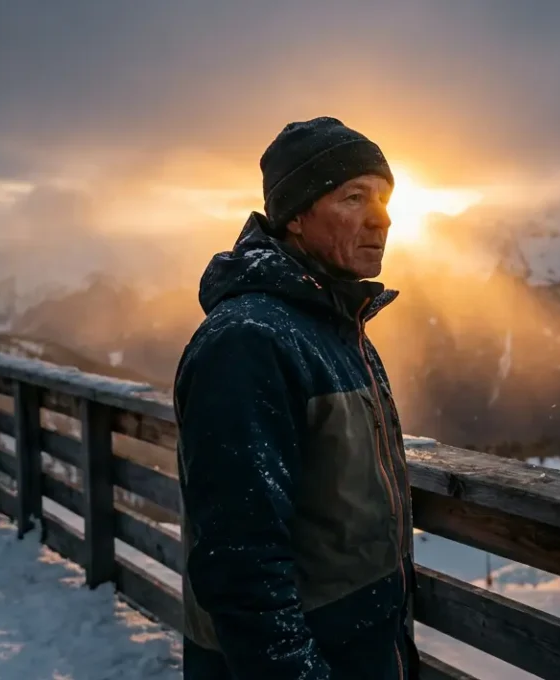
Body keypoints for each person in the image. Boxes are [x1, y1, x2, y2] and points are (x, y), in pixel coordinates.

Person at [173, 117, 417, 680]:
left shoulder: (333, 326)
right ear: (297, 217)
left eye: (383, 198)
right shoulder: (249, 343)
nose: (381, 217)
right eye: (353, 197)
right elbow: (239, 561)